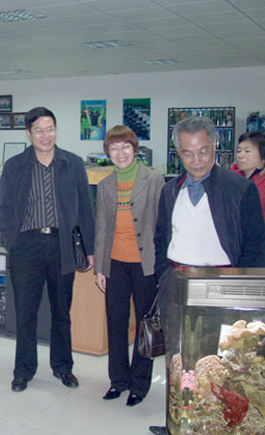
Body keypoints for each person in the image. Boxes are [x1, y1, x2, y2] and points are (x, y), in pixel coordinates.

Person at [149, 116, 265, 435]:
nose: (196, 160)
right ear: (178, 154)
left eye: (203, 151)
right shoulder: (171, 189)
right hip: (176, 283)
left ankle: (211, 427)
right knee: (178, 361)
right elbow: (161, 237)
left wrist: (242, 288)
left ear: (215, 146)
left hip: (221, 285)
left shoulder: (239, 188)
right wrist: (162, 276)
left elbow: (256, 245)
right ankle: (178, 423)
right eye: (188, 153)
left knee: (217, 364)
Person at [0, 106, 95, 393]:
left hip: (62, 244)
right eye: (39, 130)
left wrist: (89, 248)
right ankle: (23, 370)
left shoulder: (72, 164)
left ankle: (63, 367)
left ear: (55, 130)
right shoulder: (15, 166)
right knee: (25, 313)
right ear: (29, 133)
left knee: (62, 312)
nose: (45, 135)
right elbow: (3, 208)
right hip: (26, 246)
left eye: (50, 129)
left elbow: (86, 208)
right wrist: (13, 243)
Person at [94, 126, 164, 407]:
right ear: (108, 153)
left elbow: (162, 225)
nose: (120, 153)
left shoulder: (154, 180)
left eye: (125, 146)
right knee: (116, 323)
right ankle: (118, 380)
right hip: (115, 264)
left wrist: (162, 267)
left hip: (146, 264)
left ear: (135, 149)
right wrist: (100, 268)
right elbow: (102, 228)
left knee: (145, 326)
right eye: (114, 148)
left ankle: (139, 384)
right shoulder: (105, 185)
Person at [231, 131, 265, 219]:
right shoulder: (230, 179)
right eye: (239, 151)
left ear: (262, 158)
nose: (240, 155)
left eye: (247, 151)